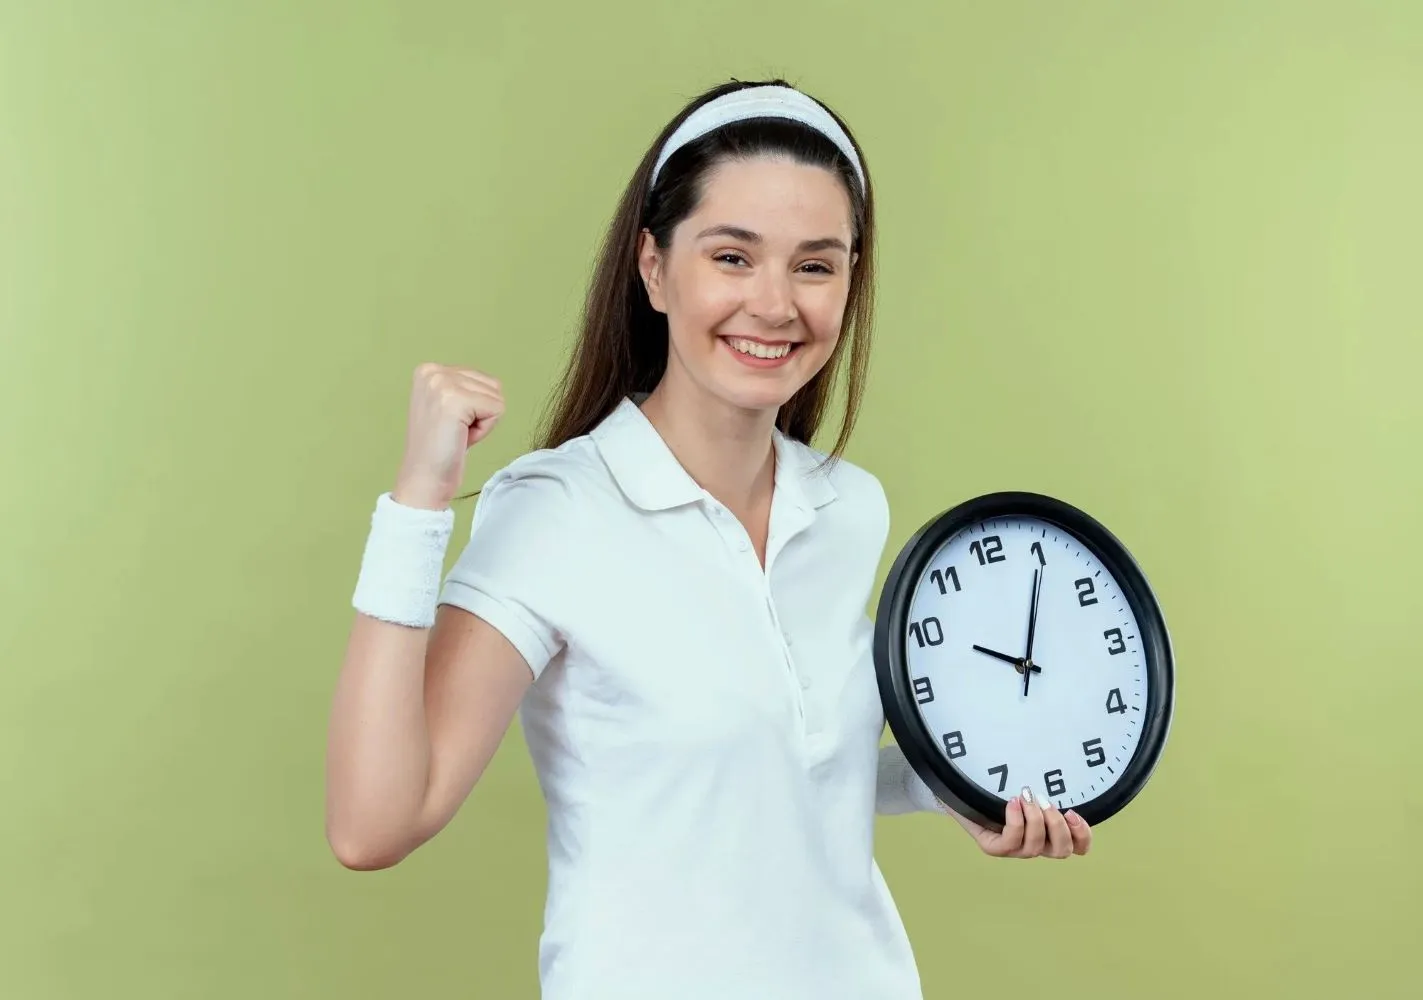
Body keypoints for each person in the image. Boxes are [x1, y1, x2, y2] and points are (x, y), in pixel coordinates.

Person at [325, 78, 1092, 999]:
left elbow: (791, 763)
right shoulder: (556, 511)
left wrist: (955, 788)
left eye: (816, 266)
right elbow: (374, 823)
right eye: (732, 257)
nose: (773, 305)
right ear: (653, 267)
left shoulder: (851, 509)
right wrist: (418, 504)